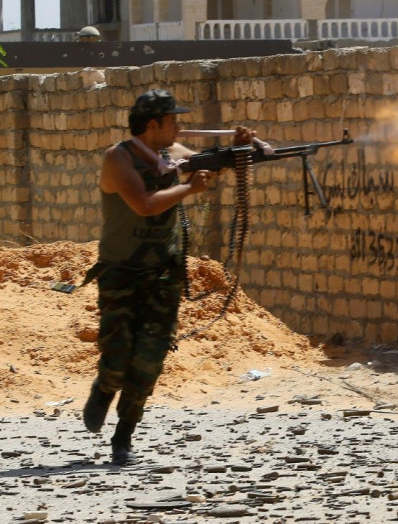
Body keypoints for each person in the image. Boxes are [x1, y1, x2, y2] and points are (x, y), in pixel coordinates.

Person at [82, 88, 254, 465]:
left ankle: (123, 435)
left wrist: (242, 148)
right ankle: (104, 388)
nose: (180, 126)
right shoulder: (119, 159)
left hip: (164, 271)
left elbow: (221, 163)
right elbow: (143, 204)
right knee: (117, 357)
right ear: (152, 124)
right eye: (173, 120)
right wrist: (190, 187)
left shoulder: (175, 156)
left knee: (150, 357)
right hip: (122, 273)